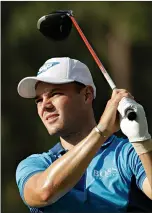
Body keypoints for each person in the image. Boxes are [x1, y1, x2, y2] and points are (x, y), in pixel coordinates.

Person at [16, 57, 152, 213]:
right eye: (39, 100)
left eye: (55, 94)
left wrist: (141, 140)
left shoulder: (128, 154)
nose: (45, 106)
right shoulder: (35, 164)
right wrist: (101, 131)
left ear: (87, 95)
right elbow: (44, 193)